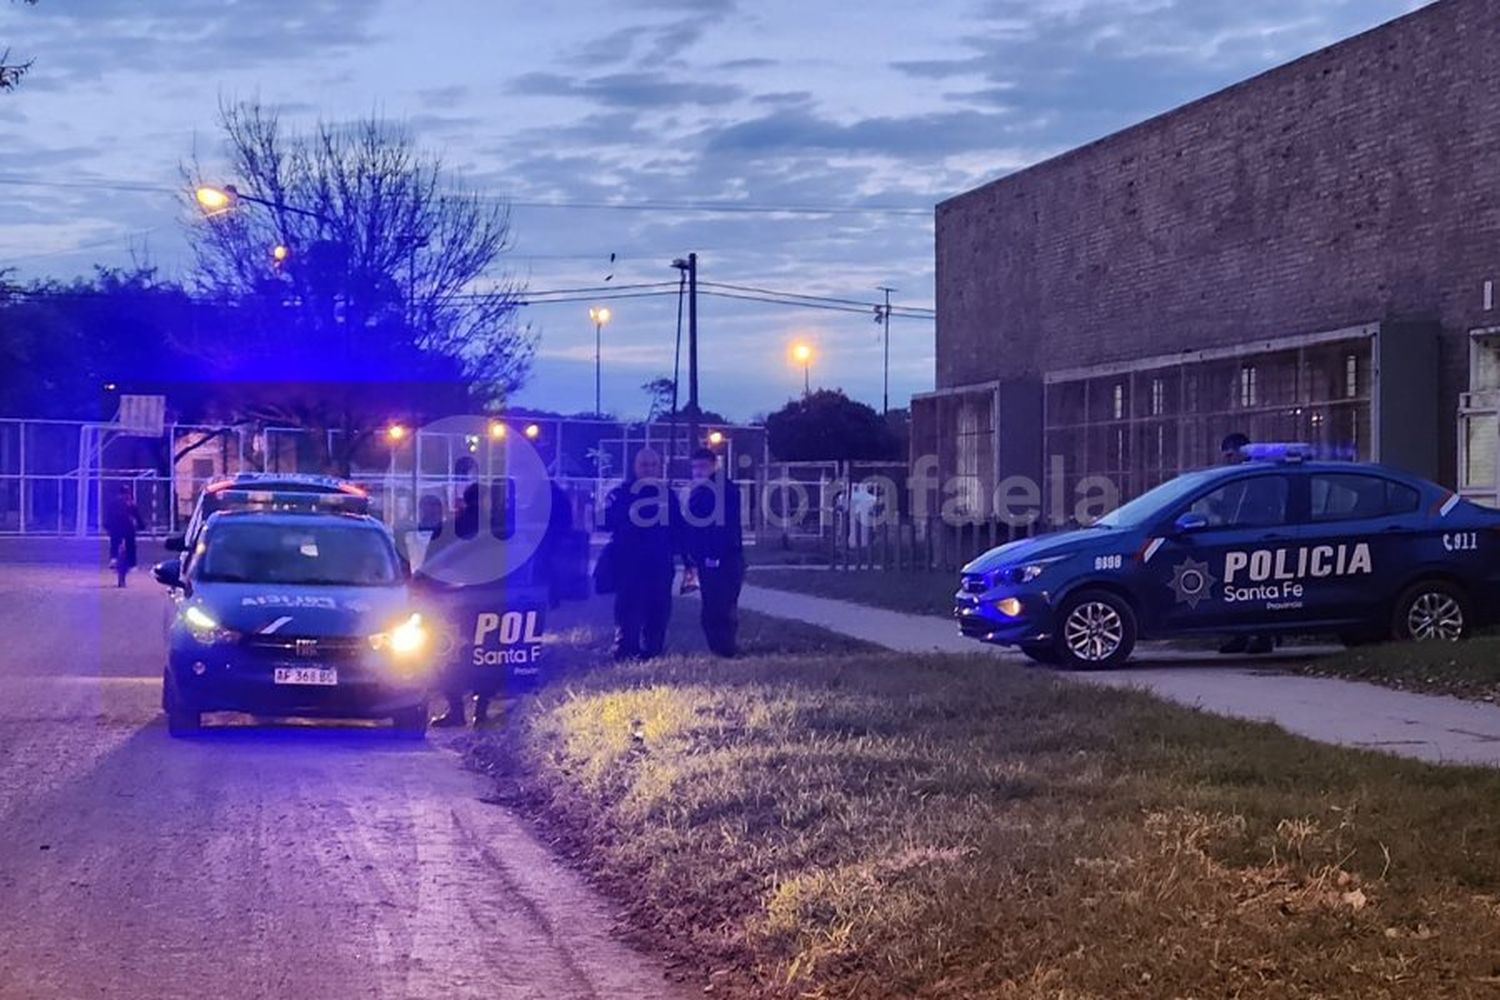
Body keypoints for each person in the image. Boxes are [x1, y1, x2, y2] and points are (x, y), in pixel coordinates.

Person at [605, 447, 684, 661]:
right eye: (644, 464)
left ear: (659, 468)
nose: (649, 469)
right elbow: (608, 523)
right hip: (629, 563)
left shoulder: (668, 496)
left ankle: (653, 650)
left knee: (659, 609)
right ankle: (625, 650)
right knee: (628, 608)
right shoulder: (621, 494)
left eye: (653, 465)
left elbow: (679, 528)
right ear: (634, 467)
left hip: (660, 563)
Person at [1217, 432, 1274, 655]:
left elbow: (1265, 509)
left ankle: (1263, 637)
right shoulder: (1233, 479)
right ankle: (1239, 636)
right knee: (1236, 592)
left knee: (1259, 591)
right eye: (1225, 455)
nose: (1227, 459)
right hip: (1235, 540)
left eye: (1231, 454)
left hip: (1257, 541)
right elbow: (1229, 508)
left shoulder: (1257, 478)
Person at [684, 448, 744, 657]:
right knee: (715, 605)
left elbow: (722, 527)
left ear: (714, 465)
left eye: (702, 466)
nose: (697, 471)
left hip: (721, 559)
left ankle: (724, 649)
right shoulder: (705, 489)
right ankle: (722, 648)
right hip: (712, 558)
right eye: (694, 467)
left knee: (718, 606)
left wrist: (713, 556)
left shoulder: (721, 490)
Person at [104, 485, 144, 588]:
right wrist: (142, 526)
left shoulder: (113, 502)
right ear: (128, 493)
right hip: (127, 527)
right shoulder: (130, 502)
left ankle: (113, 558)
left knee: (114, 541)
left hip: (115, 527)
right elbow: (137, 516)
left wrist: (106, 526)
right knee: (131, 545)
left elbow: (107, 515)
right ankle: (132, 564)